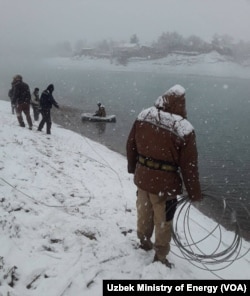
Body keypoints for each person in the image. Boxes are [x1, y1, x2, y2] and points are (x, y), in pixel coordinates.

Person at [126, 84, 203, 268]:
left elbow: (131, 145)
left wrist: (132, 167)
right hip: (165, 186)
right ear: (181, 104)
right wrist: (194, 193)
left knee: (144, 212)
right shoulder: (185, 129)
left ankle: (144, 242)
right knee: (164, 221)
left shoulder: (144, 115)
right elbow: (189, 167)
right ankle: (160, 257)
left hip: (143, 179)